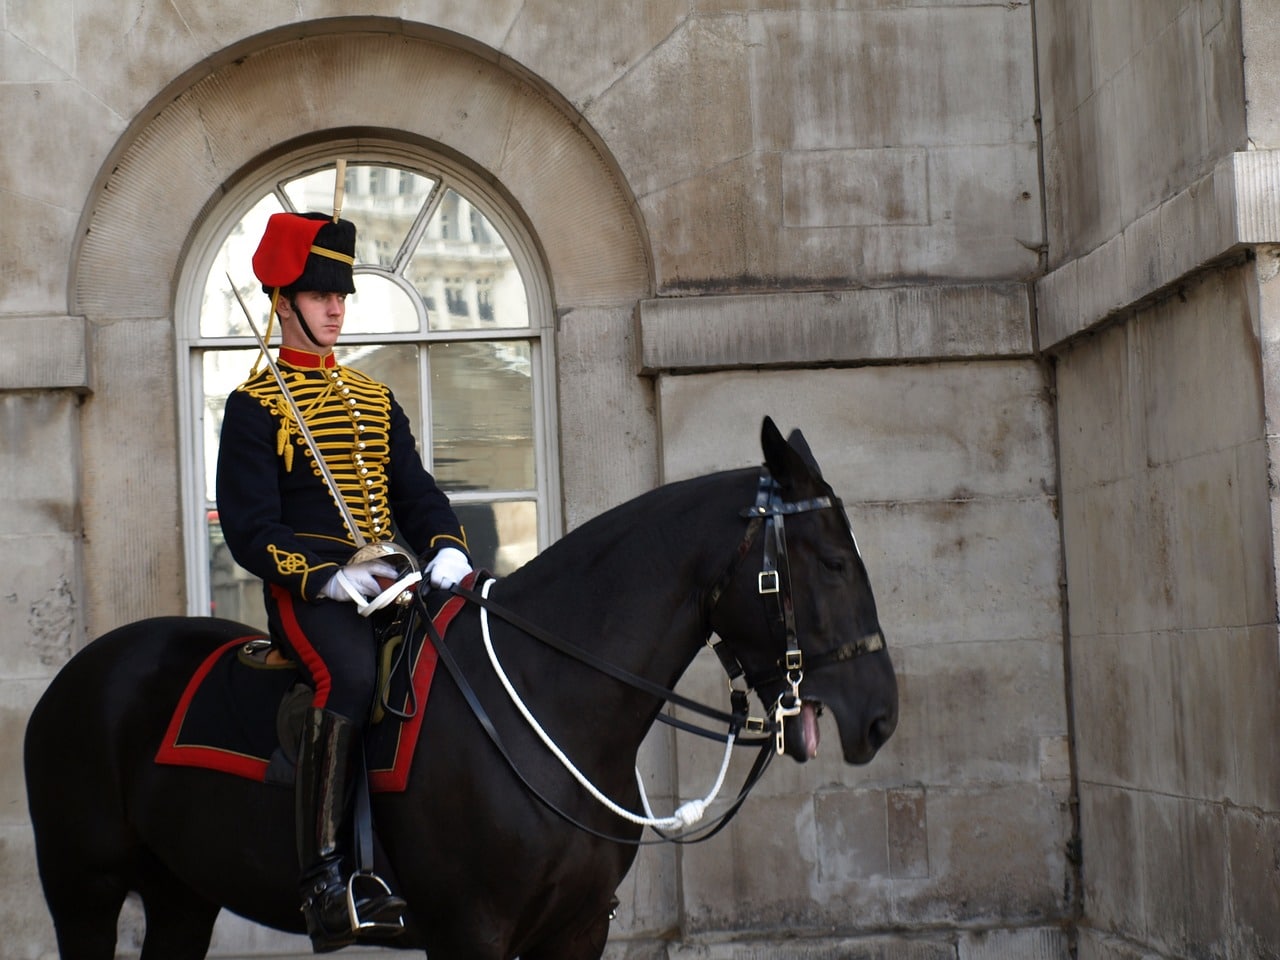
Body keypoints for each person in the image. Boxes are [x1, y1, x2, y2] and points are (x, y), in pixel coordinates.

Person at [216, 210, 472, 952]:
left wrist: (447, 549)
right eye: (319, 292)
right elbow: (251, 529)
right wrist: (325, 581)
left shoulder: (372, 398)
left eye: (341, 293)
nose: (336, 306)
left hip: (394, 578)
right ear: (282, 301)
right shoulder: (255, 408)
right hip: (312, 596)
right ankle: (324, 881)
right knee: (351, 680)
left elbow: (417, 494)